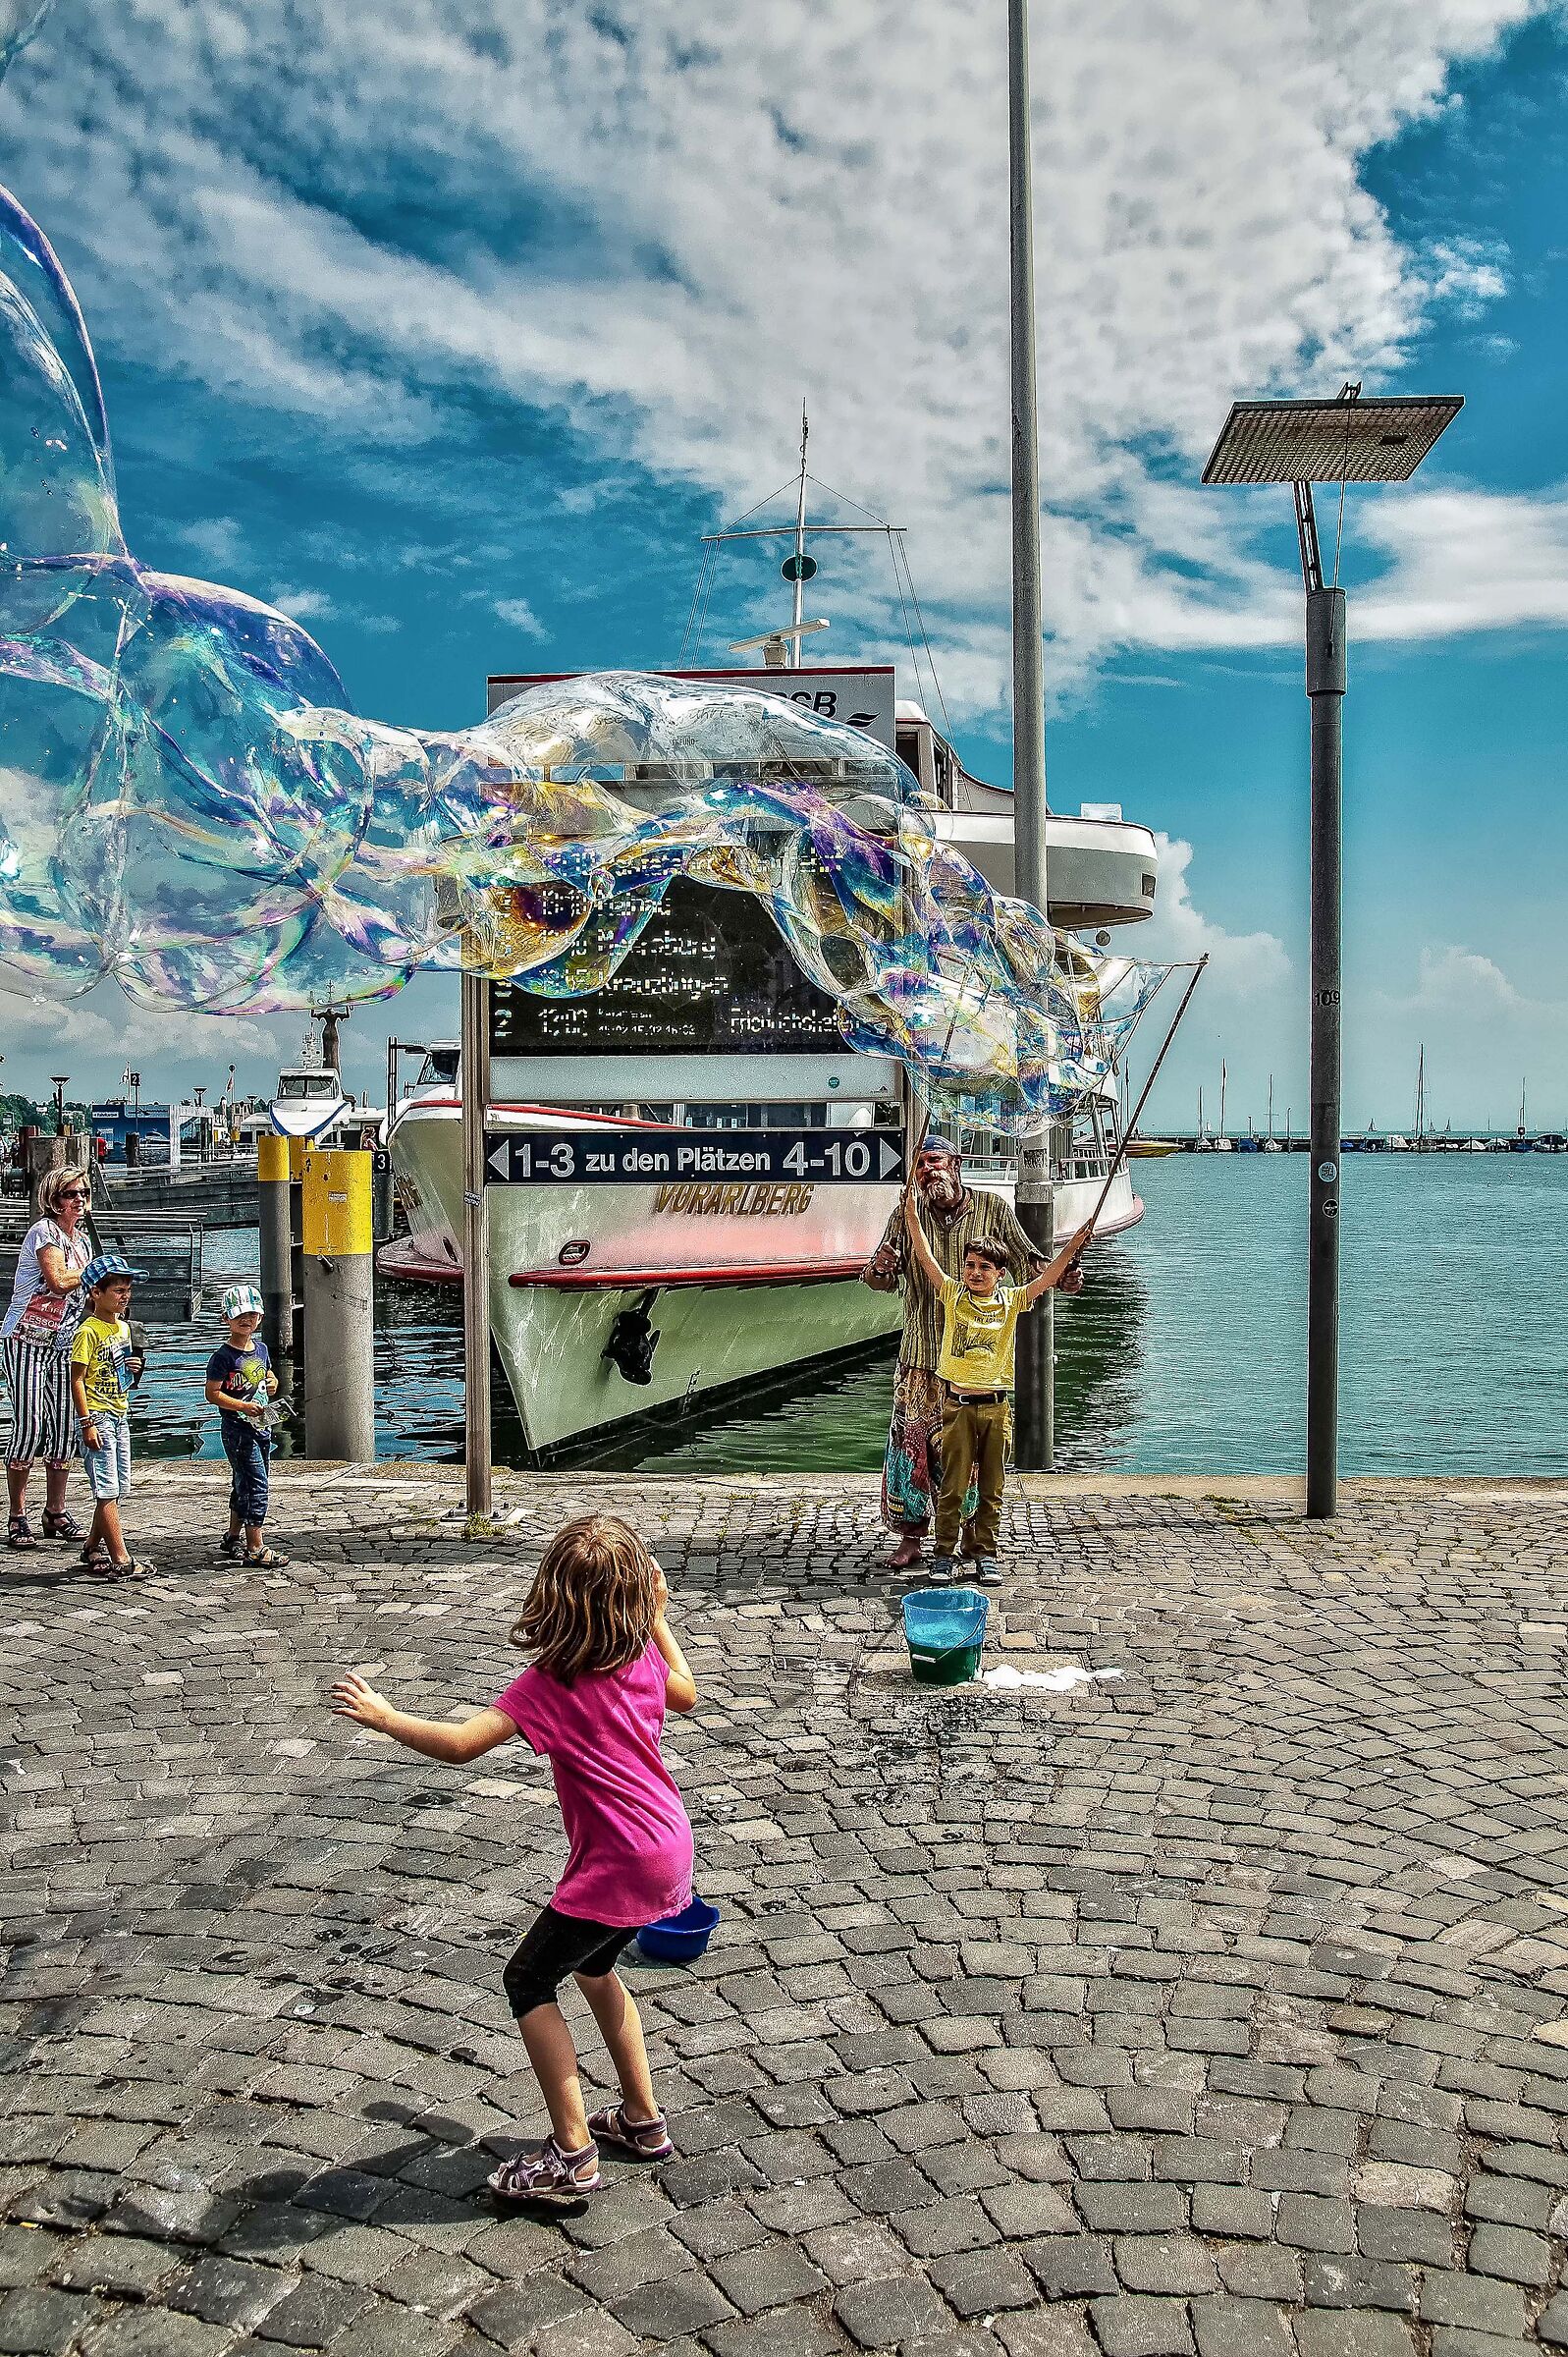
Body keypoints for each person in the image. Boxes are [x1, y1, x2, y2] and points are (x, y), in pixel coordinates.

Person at [330, 1511, 697, 2208]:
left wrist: (385, 1717)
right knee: (594, 1969)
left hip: (617, 1862)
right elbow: (689, 1687)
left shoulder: (549, 1685)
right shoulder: (641, 1659)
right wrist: (656, 1617)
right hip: (668, 1846)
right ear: (634, 1598)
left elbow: (462, 1744)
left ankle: (572, 2155)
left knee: (527, 1980)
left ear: (552, 1598)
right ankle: (642, 2121)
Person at [862, 1136, 1084, 1574]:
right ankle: (911, 1537)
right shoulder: (906, 1214)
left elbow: (1029, 1264)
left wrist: (1064, 1277)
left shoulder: (992, 1209)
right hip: (922, 1353)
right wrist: (880, 1268)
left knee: (974, 1457)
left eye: (936, 1161)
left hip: (976, 1369)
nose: (928, 1170)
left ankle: (971, 1537)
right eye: (920, 1164)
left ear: (956, 1164)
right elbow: (879, 1279)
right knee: (911, 1450)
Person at [904, 1193, 1091, 1585]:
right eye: (970, 1265)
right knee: (952, 1487)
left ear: (1000, 1273)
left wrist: (1074, 1243)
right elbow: (925, 1256)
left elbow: (1048, 1278)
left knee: (992, 1488)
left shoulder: (1011, 1301)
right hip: (957, 1407)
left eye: (984, 1267)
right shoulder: (952, 1295)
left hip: (996, 1409)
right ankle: (943, 1554)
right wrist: (911, 1215)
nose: (975, 1273)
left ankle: (986, 1554)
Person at [3, 1164, 94, 1550]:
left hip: (63, 1343)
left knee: (63, 1428)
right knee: (30, 1424)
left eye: (83, 1193)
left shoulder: (83, 1242)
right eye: (71, 1194)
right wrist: (95, 1272)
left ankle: (55, 1511)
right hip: (27, 1339)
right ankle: (17, 1513)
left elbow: (86, 1297)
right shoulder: (44, 1232)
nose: (79, 1200)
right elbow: (57, 1280)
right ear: (54, 1200)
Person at [68, 1252, 150, 1578]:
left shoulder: (124, 1329)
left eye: (128, 1290)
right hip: (98, 1416)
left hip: (119, 1412)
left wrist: (135, 1368)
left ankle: (92, 1545)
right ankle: (121, 1558)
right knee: (106, 1489)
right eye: (118, 1290)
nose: (125, 1296)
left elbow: (123, 1375)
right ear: (96, 1293)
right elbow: (76, 1378)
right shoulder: (87, 1331)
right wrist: (86, 1422)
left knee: (118, 1486)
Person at [204, 1284, 288, 1569]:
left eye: (252, 1314)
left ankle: (232, 1536)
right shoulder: (223, 1357)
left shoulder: (261, 1349)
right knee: (257, 1486)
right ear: (226, 1318)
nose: (246, 1320)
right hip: (238, 1430)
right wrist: (241, 1406)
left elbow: (267, 1374)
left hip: (262, 1426)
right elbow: (212, 1394)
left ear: (260, 1318)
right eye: (239, 1315)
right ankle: (255, 1546)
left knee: (244, 1482)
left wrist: (273, 1382)